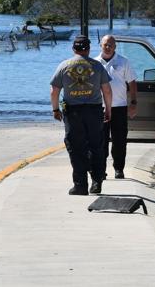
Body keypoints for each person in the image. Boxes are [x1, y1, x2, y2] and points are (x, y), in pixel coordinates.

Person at [50, 36, 113, 195]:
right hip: (94, 111)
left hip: (73, 112)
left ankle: (80, 185)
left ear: (73, 49)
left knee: (76, 147)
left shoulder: (64, 66)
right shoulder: (98, 66)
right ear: (88, 49)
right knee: (96, 146)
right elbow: (107, 90)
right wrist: (109, 109)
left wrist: (55, 110)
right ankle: (97, 182)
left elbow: (54, 91)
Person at [96, 35, 138, 180]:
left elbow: (132, 83)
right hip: (100, 108)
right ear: (100, 45)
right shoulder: (95, 63)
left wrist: (133, 103)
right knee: (100, 142)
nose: (108, 47)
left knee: (119, 141)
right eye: (105, 44)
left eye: (111, 45)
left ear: (115, 47)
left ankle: (119, 169)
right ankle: (100, 170)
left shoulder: (123, 61)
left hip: (119, 107)